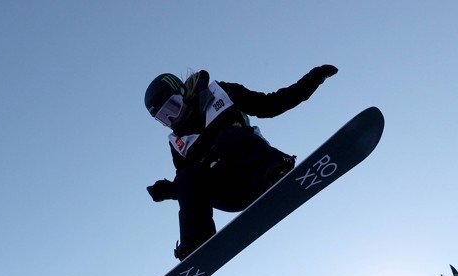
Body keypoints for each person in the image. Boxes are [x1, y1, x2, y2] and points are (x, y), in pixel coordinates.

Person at [144, 65, 339, 259]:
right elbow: (190, 188)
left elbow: (271, 104)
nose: (172, 118)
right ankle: (197, 244)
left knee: (227, 138)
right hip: (230, 194)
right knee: (187, 176)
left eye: (173, 106)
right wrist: (170, 190)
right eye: (164, 117)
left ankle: (277, 174)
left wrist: (313, 79)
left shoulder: (220, 94)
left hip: (257, 171)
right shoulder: (178, 142)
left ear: (184, 93)